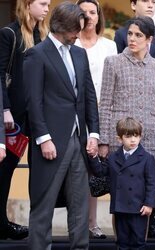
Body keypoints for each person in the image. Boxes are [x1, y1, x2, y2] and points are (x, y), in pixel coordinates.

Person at [23, 2, 99, 250]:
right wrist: (43, 138)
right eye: (75, 30)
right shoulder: (37, 54)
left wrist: (94, 133)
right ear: (61, 27)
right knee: (43, 205)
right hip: (51, 142)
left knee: (80, 204)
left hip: (78, 139)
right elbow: (33, 102)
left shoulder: (79, 53)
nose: (79, 35)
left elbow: (88, 95)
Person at [99, 15, 155, 239]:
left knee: (146, 194)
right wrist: (105, 141)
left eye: (138, 35)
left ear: (150, 39)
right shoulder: (113, 62)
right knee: (121, 195)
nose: (132, 39)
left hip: (149, 141)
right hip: (120, 139)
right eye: (130, 33)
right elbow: (105, 103)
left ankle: (140, 242)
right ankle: (121, 243)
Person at [0, 0, 50, 240]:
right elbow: (0, 75)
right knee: (5, 169)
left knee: (41, 171)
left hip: (40, 115)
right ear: (27, 4)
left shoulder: (46, 36)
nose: (47, 9)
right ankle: (1, 222)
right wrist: (5, 109)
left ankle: (39, 227)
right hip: (15, 118)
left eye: (49, 4)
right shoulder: (9, 34)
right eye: (42, 3)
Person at [75, 0, 117, 239]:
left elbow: (113, 86)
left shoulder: (109, 45)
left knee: (96, 169)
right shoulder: (70, 42)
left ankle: (93, 223)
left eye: (93, 12)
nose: (89, 17)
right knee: (75, 170)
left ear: (99, 16)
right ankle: (78, 223)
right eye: (84, 13)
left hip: (102, 113)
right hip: (74, 114)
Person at [89, 117, 155, 250]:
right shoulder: (113, 157)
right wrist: (93, 156)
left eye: (136, 136)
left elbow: (152, 183)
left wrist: (149, 204)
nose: (133, 140)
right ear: (119, 139)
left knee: (139, 243)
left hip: (139, 209)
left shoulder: (147, 158)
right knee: (122, 243)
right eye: (128, 136)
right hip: (120, 208)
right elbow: (100, 172)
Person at [114, 0, 155, 97]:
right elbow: (118, 74)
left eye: (154, 2)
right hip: (129, 102)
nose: (150, 6)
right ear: (133, 5)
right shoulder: (121, 34)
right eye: (145, 1)